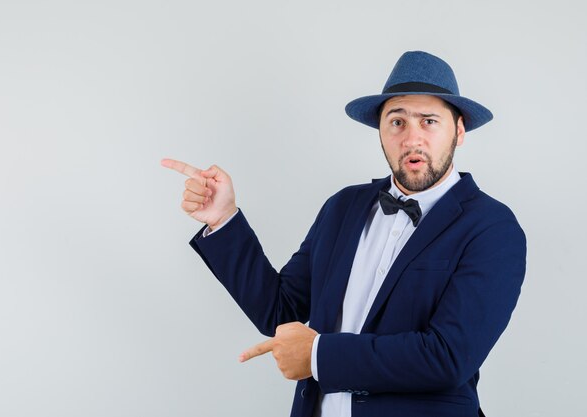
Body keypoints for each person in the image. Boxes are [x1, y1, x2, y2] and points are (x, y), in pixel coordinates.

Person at [162, 51, 526, 417]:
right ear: (381, 131)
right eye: (397, 122)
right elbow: (280, 310)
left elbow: (447, 357)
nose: (412, 138)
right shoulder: (343, 207)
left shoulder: (492, 228)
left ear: (459, 131)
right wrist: (223, 218)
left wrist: (317, 355)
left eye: (429, 121)